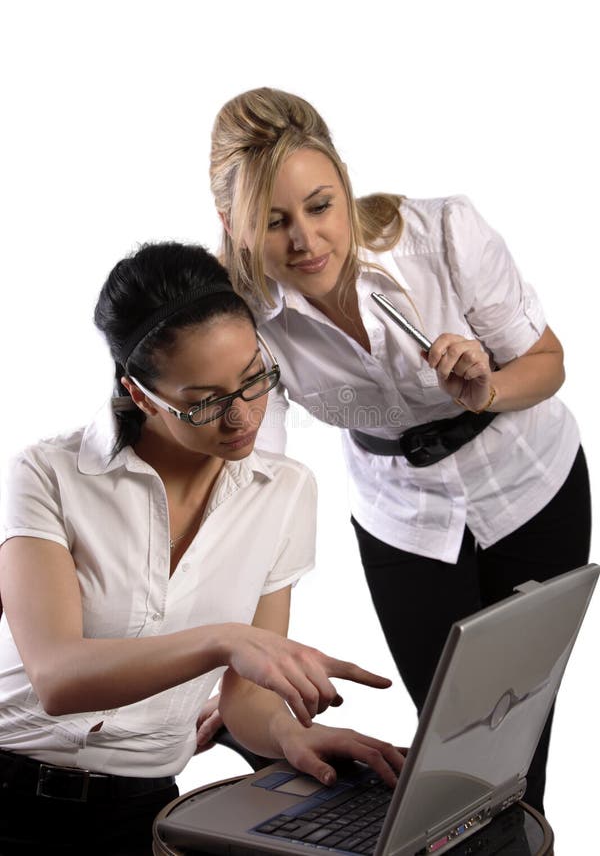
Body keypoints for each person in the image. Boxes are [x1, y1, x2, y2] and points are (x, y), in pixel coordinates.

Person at [208, 87, 592, 814]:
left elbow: (549, 363)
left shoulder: (442, 235)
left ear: (344, 187)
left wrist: (486, 388)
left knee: (520, 737)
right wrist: (234, 667)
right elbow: (263, 478)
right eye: (274, 221)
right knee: (456, 747)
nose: (306, 241)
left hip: (531, 484)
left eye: (321, 206)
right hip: (403, 515)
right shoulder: (241, 311)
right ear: (233, 226)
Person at [0, 242, 404, 856]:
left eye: (254, 380)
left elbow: (245, 697)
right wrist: (226, 640)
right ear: (140, 395)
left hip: (144, 808)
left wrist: (288, 735)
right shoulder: (48, 473)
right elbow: (58, 677)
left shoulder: (284, 492)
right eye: (205, 401)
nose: (241, 417)